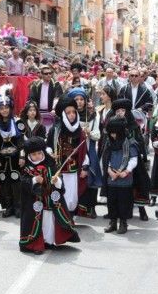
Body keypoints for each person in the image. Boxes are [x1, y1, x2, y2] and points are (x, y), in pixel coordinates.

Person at [19, 136, 81, 255]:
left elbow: (60, 184)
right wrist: (35, 180)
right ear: (29, 156)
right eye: (34, 154)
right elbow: (24, 184)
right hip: (35, 203)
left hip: (51, 202)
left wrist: (56, 180)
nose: (37, 156)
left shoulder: (51, 165)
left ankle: (49, 241)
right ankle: (36, 244)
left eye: (39, 153)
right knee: (38, 222)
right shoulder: (27, 169)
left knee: (50, 222)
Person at [46, 96, 89, 215]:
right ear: (63, 114)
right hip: (58, 169)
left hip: (73, 169)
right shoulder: (55, 129)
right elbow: (48, 146)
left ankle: (70, 215)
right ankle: (61, 216)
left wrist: (85, 167)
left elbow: (84, 150)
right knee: (59, 193)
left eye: (73, 112)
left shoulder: (80, 130)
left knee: (72, 195)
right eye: (68, 112)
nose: (72, 115)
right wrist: (51, 153)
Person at [0, 85, 24, 218]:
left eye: (6, 108)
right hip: (2, 159)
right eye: (2, 108)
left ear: (10, 108)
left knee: (16, 181)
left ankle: (18, 207)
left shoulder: (17, 122)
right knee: (4, 181)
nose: (4, 110)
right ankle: (8, 206)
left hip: (16, 158)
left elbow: (22, 141)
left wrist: (22, 156)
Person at [69, 87, 102, 219]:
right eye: (76, 99)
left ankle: (92, 207)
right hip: (75, 149)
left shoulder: (93, 114)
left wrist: (89, 133)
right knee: (77, 177)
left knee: (92, 175)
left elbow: (98, 134)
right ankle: (78, 207)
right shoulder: (70, 113)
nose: (79, 102)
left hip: (89, 147)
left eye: (82, 99)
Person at [102, 116, 139, 234]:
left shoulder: (130, 142)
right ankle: (112, 223)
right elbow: (105, 158)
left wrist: (126, 171)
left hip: (125, 178)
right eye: (111, 133)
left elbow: (134, 159)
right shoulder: (109, 142)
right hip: (112, 178)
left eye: (115, 133)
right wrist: (109, 171)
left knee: (124, 202)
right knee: (111, 201)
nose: (113, 136)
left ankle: (123, 223)